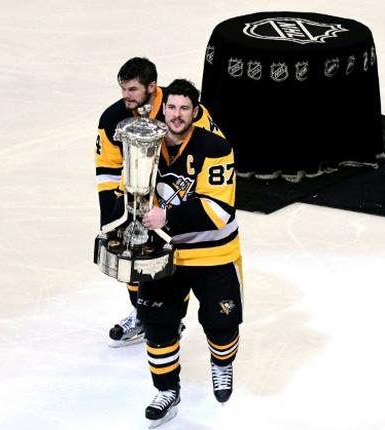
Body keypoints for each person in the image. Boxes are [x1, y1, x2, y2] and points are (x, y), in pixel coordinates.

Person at [95, 57, 224, 348]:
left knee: (175, 263)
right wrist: (110, 216)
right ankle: (142, 314)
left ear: (152, 87)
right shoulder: (112, 118)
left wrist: (188, 208)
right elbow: (107, 166)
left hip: (177, 199)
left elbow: (214, 151)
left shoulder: (184, 110)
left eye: (132, 90)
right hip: (135, 196)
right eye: (123, 89)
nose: (125, 96)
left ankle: (171, 318)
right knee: (130, 252)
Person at [138, 79, 243, 427]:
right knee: (157, 324)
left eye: (185, 108)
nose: (177, 115)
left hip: (213, 253)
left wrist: (166, 216)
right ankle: (167, 390)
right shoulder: (147, 143)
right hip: (166, 253)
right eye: (171, 107)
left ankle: (222, 364)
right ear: (163, 108)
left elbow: (217, 212)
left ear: (195, 112)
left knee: (222, 324)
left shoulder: (215, 148)